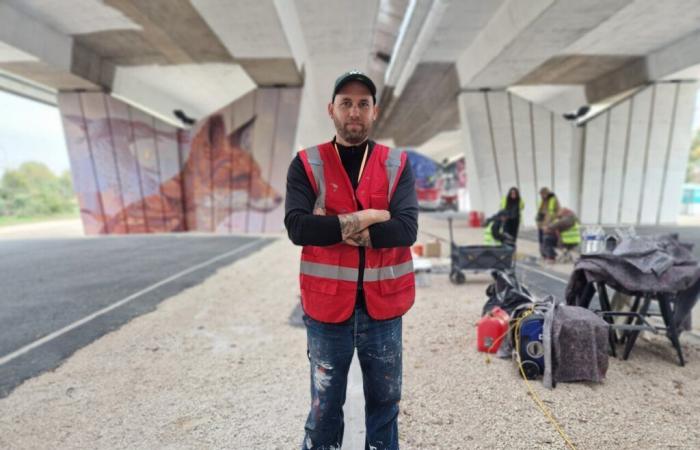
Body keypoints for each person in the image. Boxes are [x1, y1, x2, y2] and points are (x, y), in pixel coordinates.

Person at [284, 70, 418, 450]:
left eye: (363, 104)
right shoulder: (307, 164)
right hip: (327, 309)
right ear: (332, 109)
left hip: (384, 307)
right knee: (325, 407)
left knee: (385, 405)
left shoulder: (396, 164)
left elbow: (406, 229)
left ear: (374, 112)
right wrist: (372, 216)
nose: (354, 111)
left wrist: (331, 224)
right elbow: (298, 228)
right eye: (346, 103)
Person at [536, 187, 559, 258]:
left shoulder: (553, 200)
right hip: (541, 224)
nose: (542, 196)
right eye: (541, 194)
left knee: (547, 239)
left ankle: (550, 254)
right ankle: (543, 253)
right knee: (541, 239)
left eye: (543, 194)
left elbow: (557, 211)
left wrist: (551, 222)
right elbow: (540, 212)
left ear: (547, 193)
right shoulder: (542, 201)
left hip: (549, 224)